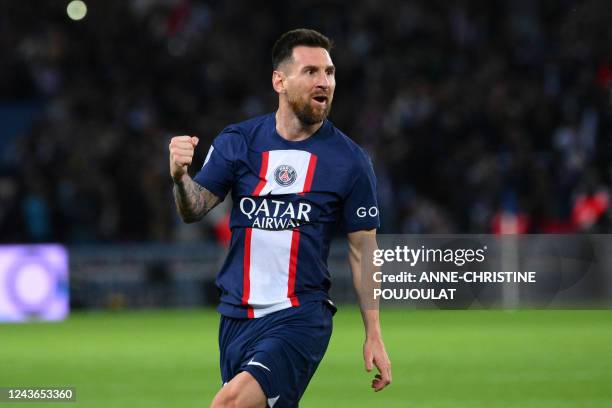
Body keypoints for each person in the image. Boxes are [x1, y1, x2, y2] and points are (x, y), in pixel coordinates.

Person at [169, 28, 391, 408]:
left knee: (229, 404)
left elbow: (363, 252)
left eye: (330, 72)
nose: (324, 81)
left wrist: (374, 333)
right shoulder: (238, 142)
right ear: (280, 81)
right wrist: (179, 177)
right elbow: (194, 209)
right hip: (236, 317)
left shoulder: (350, 161)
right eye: (311, 71)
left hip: (300, 316)